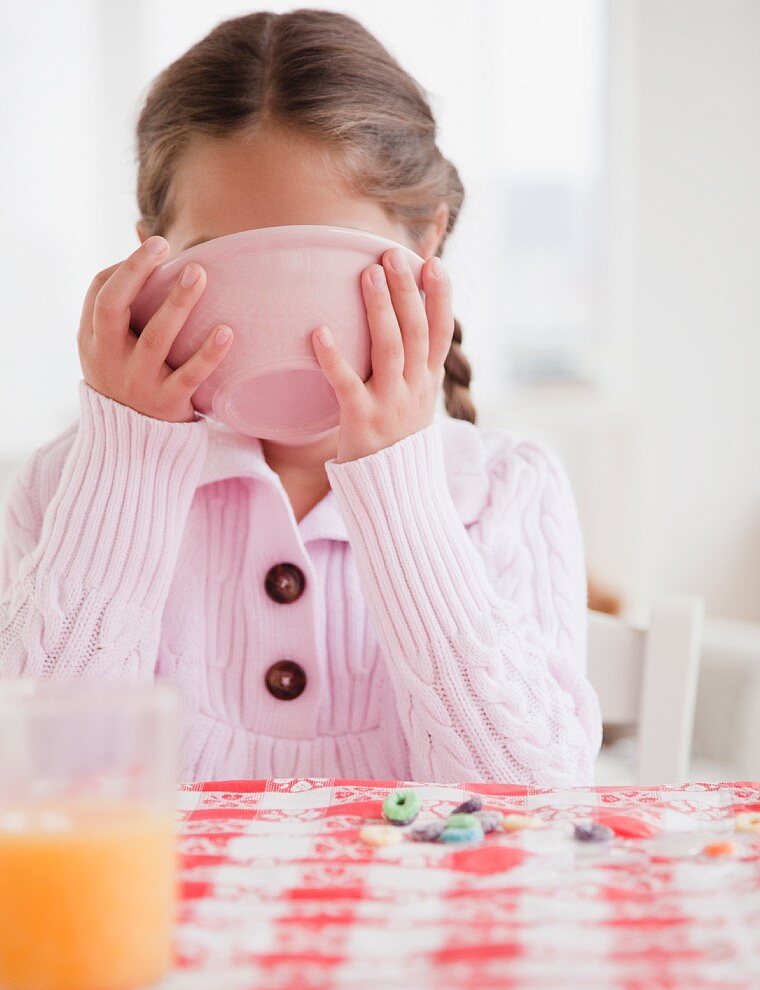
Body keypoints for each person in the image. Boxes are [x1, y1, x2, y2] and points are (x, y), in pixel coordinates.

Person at [0, 10, 602, 785]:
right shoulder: (66, 488)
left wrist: (398, 485)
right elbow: (32, 785)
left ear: (427, 247)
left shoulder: (505, 488)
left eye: (323, 264)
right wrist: (132, 463)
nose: (281, 324)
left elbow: (534, 803)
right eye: (226, 263)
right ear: (150, 256)